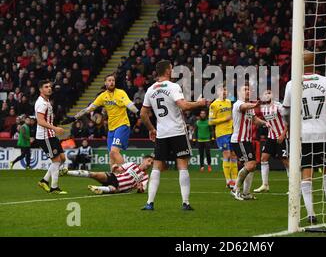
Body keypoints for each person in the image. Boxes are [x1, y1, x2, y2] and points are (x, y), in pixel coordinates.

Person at [283, 50, 326, 224]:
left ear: (300, 62)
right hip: (324, 133)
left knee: (306, 172)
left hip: (303, 135)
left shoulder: (292, 84)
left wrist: (289, 126)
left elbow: (285, 111)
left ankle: (311, 214)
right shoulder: (325, 81)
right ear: (315, 62)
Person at [140, 60, 207, 211]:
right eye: (171, 68)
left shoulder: (150, 89)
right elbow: (183, 106)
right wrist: (199, 103)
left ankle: (150, 203)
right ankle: (185, 203)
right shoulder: (173, 86)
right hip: (177, 131)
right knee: (182, 165)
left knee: (157, 167)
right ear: (168, 71)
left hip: (162, 133)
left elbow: (143, 114)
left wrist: (151, 129)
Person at [62, 73, 139, 169]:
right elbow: (89, 109)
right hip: (111, 129)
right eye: (109, 80)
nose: (111, 82)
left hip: (122, 125)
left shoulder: (121, 93)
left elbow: (129, 104)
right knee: (111, 155)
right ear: (105, 83)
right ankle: (114, 179)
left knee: (114, 152)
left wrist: (137, 112)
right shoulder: (103, 96)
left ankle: (129, 175)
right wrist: (74, 118)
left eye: (113, 80)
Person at [230, 83, 269, 201]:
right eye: (244, 89)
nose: (247, 91)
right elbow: (244, 107)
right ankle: (235, 189)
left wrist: (265, 123)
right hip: (239, 140)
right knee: (250, 165)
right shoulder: (238, 104)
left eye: (248, 89)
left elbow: (255, 120)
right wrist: (254, 105)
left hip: (246, 141)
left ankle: (246, 193)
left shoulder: (249, 108)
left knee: (252, 166)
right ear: (239, 93)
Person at [35, 80, 67, 194]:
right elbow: (40, 121)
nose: (49, 88)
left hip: (50, 135)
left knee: (62, 158)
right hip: (45, 136)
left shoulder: (47, 101)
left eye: (50, 86)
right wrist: (55, 128)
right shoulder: (41, 103)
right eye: (46, 87)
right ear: (40, 89)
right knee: (57, 160)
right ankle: (54, 187)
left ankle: (44, 181)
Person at [253, 90, 289, 193]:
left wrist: (283, 134)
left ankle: (294, 186)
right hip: (271, 137)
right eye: (265, 94)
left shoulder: (278, 106)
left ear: (272, 95)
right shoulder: (263, 108)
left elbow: (288, 120)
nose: (267, 95)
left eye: (269, 93)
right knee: (264, 158)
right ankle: (265, 185)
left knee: (285, 161)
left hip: (282, 136)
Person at [61, 156, 153, 194]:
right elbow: (119, 170)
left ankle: (97, 188)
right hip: (114, 178)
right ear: (143, 160)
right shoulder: (132, 164)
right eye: (148, 161)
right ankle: (67, 172)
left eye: (151, 163)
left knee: (112, 189)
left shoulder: (145, 177)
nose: (149, 164)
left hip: (121, 188)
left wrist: (139, 188)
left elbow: (142, 190)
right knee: (94, 174)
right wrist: (115, 168)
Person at [208, 84, 238, 188]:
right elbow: (210, 121)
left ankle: (235, 181)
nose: (224, 92)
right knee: (227, 155)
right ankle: (228, 181)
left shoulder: (229, 102)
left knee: (234, 155)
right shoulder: (214, 105)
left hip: (231, 132)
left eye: (225, 90)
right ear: (217, 92)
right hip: (221, 134)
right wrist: (224, 119)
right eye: (222, 90)